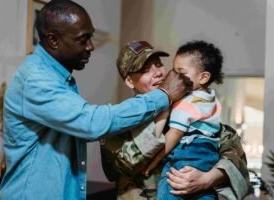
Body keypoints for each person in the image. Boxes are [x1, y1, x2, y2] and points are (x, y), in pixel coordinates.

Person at [0, 1, 190, 200]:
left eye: (158, 65)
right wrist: (164, 96)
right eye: (83, 39)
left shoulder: (59, 79)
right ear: (53, 40)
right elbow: (93, 124)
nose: (90, 46)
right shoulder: (37, 80)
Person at [100, 40, 249, 200]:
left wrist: (207, 179)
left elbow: (234, 156)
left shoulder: (193, 110)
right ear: (130, 81)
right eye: (145, 70)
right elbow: (127, 164)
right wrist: (164, 106)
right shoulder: (118, 120)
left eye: (158, 65)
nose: (158, 73)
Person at [145, 40, 225, 200]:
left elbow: (174, 136)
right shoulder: (212, 100)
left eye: (180, 72)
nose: (174, 77)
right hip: (208, 158)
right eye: (174, 71)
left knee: (169, 188)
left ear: (203, 77)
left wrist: (152, 162)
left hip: (185, 156)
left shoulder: (186, 103)